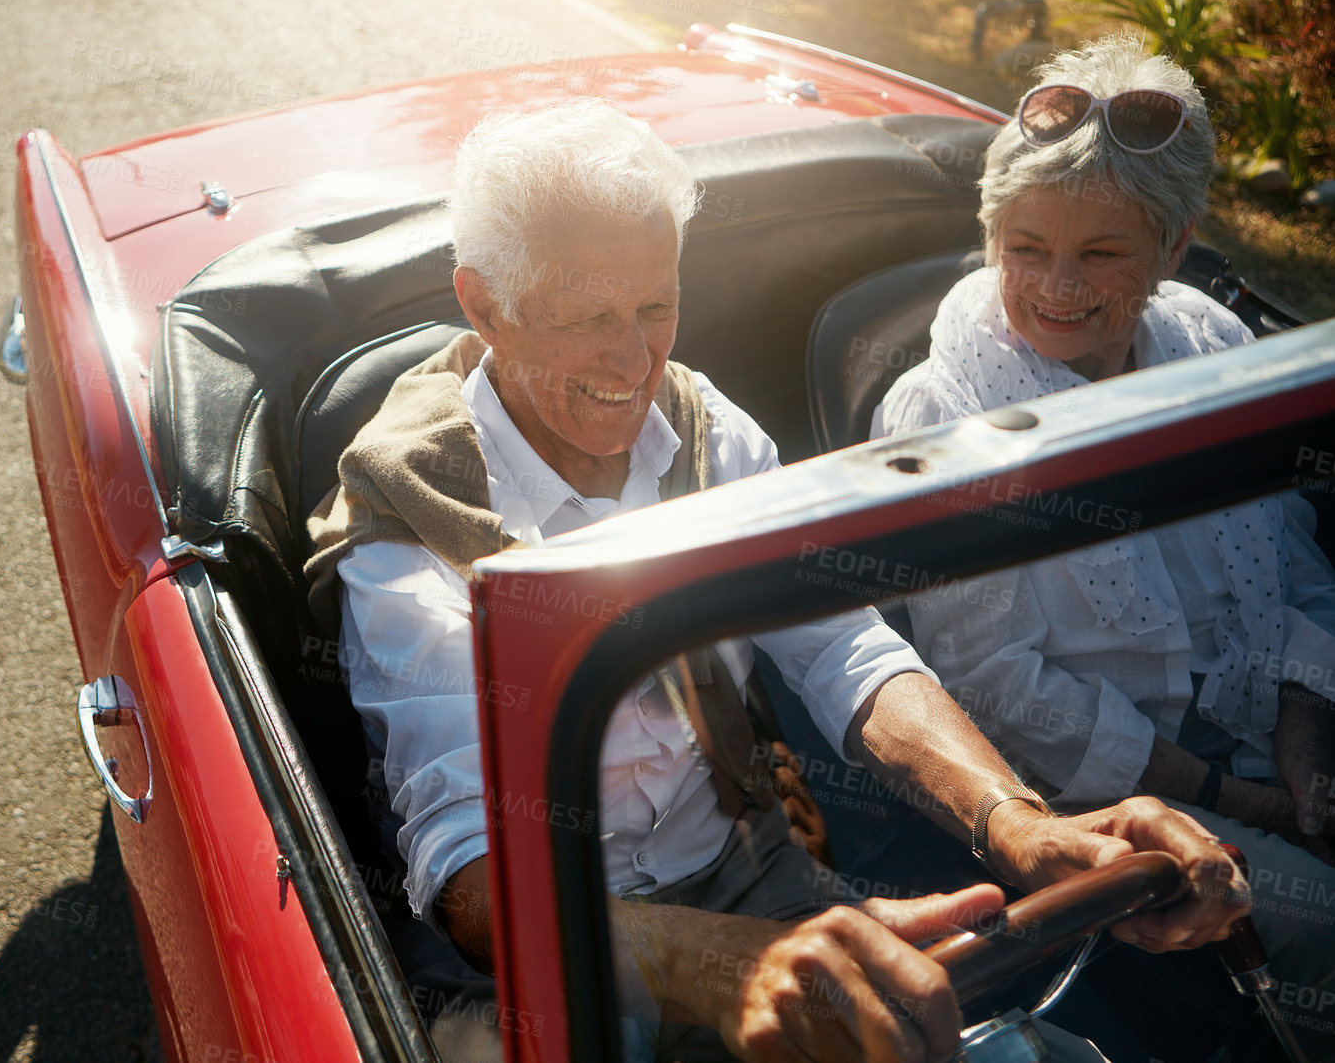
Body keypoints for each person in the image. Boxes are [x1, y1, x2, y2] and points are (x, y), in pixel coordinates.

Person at [307, 97, 1245, 1063]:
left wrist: (1014, 824)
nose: (634, 363)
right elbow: (469, 867)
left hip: (749, 877)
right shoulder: (408, 511)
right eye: (589, 317)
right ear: (483, 305)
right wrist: (727, 967)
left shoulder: (710, 430)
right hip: (520, 965)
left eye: (655, 306)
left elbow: (842, 643)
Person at [872, 36, 1335, 1025]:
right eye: (1025, 249)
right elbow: (1000, 685)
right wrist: (1240, 797)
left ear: (1173, 249)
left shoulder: (1210, 343)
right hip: (1094, 796)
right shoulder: (938, 412)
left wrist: (1305, 745)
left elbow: (1294, 558)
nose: (1055, 287)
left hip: (1269, 738)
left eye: (1101, 253)